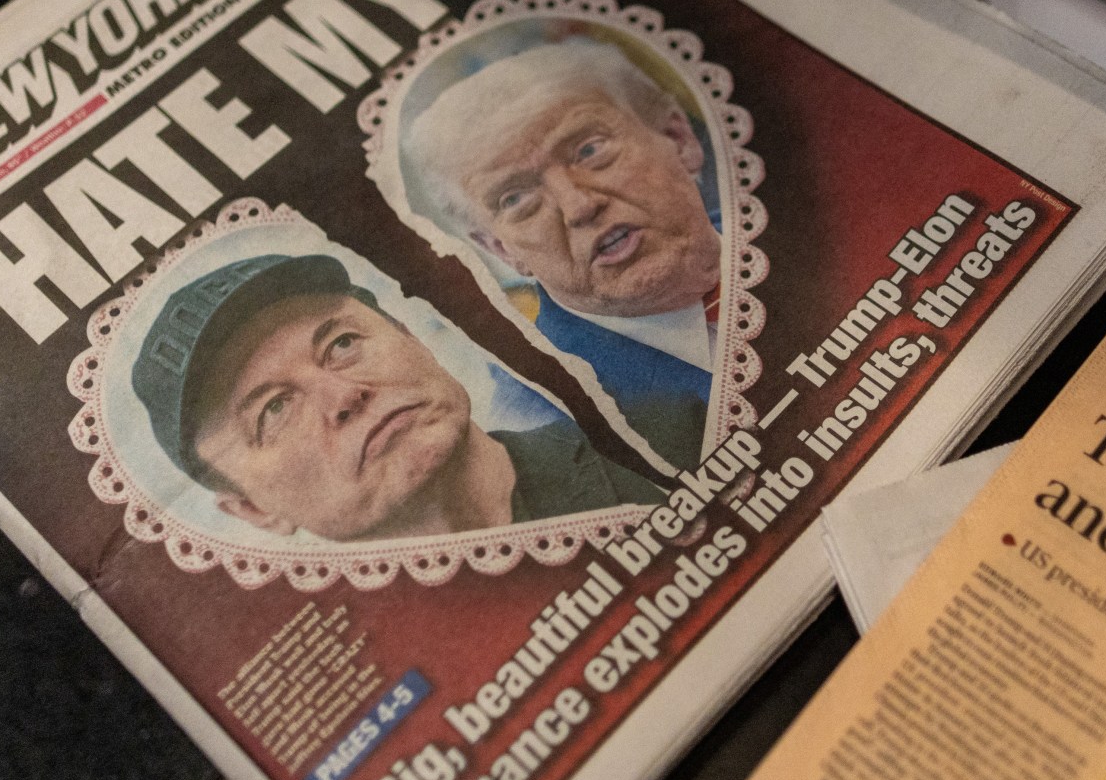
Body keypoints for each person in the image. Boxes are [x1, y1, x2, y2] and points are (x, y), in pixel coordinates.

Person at [129, 250, 661, 543]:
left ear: (412, 339)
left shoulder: (664, 440)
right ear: (252, 508)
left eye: (341, 344)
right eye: (274, 409)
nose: (345, 395)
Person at [403, 37, 721, 471]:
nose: (579, 206)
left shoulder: (781, 213)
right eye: (516, 198)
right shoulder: (543, 426)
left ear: (677, 139)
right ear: (499, 248)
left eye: (588, 151)